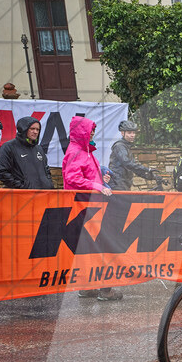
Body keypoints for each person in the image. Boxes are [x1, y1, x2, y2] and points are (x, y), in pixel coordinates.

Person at [63, 117, 121, 301]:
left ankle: (88, 287)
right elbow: (73, 178)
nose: (93, 134)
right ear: (81, 133)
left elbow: (86, 176)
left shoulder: (85, 151)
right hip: (86, 206)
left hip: (89, 206)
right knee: (101, 247)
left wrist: (101, 178)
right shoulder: (76, 151)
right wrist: (99, 187)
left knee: (89, 248)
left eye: (94, 131)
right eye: (90, 131)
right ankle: (105, 290)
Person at [0, 117, 54, 189]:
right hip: (22, 196)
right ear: (24, 129)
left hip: (43, 195)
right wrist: (21, 187)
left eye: (37, 129)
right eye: (32, 129)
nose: (35, 132)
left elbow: (46, 170)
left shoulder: (39, 148)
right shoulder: (9, 147)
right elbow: (2, 172)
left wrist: (48, 184)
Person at [108, 120, 163, 190]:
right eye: (129, 133)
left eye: (134, 133)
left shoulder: (126, 147)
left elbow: (133, 168)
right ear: (122, 133)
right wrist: (146, 169)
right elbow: (127, 163)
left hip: (124, 183)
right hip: (117, 183)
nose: (132, 135)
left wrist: (153, 177)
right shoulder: (119, 146)